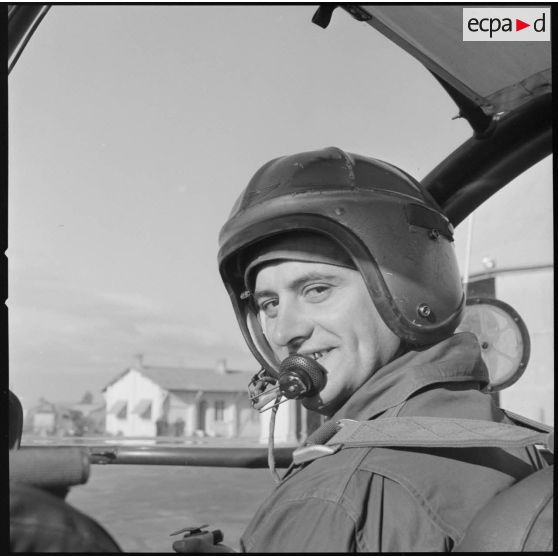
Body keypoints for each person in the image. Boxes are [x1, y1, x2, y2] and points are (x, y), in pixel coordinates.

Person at [212, 147, 544, 552]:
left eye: (316, 290)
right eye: (269, 304)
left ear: (407, 289)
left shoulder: (334, 500)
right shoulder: (521, 443)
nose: (284, 332)